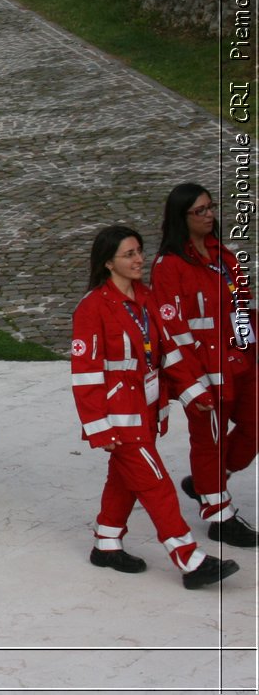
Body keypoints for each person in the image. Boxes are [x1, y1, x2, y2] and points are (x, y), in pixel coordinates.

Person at [72, 224, 235, 589]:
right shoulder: (92, 308)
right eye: (129, 254)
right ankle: (189, 558)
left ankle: (107, 544)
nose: (139, 259)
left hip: (146, 410)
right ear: (108, 263)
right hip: (119, 417)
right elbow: (85, 374)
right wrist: (99, 427)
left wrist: (195, 392)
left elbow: (169, 351)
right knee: (156, 483)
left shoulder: (146, 297)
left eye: (139, 251)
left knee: (124, 479)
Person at [152, 183, 258, 549]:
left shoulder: (222, 255)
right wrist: (191, 385)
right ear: (181, 218)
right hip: (203, 374)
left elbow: (241, 305)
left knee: (254, 426)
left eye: (210, 207)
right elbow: (172, 331)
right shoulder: (169, 267)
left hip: (240, 362)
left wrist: (252, 351)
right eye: (200, 210)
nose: (209, 214)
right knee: (208, 442)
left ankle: (207, 482)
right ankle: (219, 516)